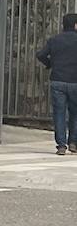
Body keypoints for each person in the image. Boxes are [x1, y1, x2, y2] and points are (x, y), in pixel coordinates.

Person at [37, 12, 77, 155]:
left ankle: (61, 145)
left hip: (58, 80)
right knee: (75, 113)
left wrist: (50, 64)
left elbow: (40, 54)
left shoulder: (55, 40)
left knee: (59, 113)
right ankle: (73, 142)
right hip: (75, 82)